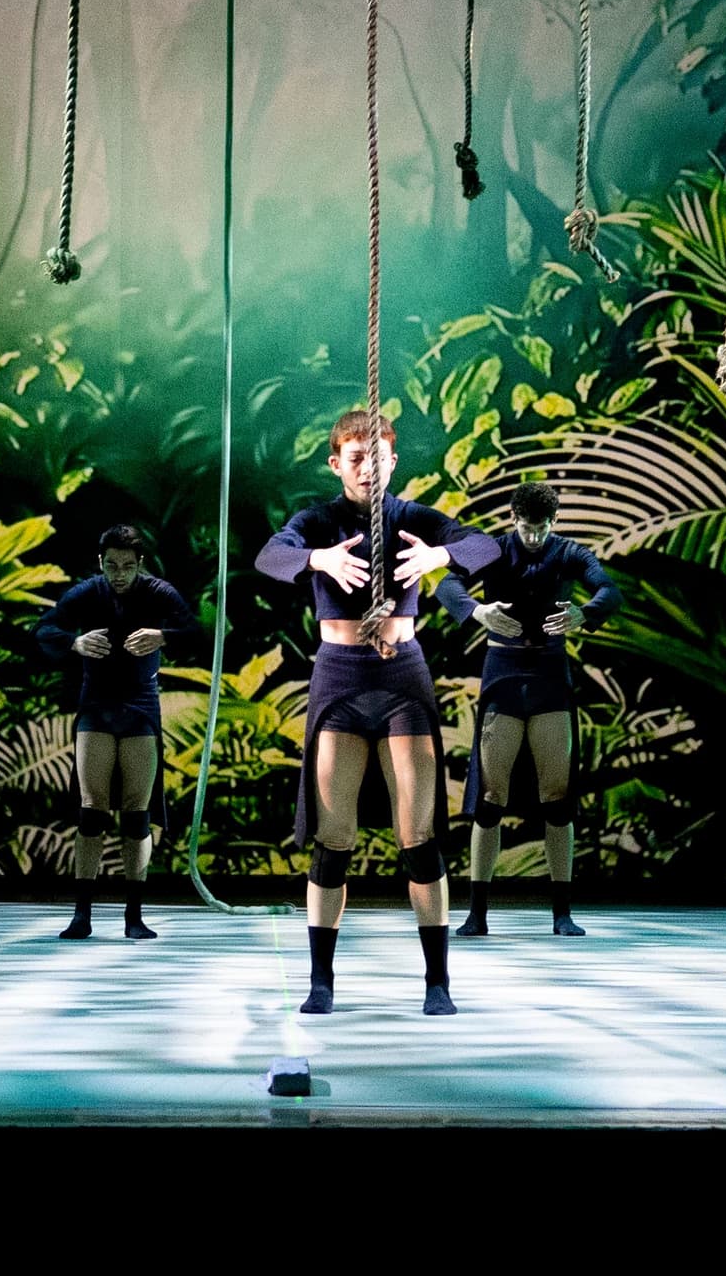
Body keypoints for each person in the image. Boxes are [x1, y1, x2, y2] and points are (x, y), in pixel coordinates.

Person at [254, 408, 503, 1017]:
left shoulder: (413, 518)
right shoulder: (317, 521)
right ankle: (321, 980)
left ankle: (437, 981)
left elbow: (485, 545)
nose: (368, 467)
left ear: (394, 460)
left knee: (418, 838)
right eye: (355, 457)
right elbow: (269, 556)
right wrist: (319, 560)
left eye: (378, 456)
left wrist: (440, 559)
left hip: (401, 676)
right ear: (337, 463)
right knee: (332, 840)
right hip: (339, 676)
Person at [441, 480, 624, 940]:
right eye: (527, 527)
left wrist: (587, 612)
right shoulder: (493, 550)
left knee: (557, 795)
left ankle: (562, 912)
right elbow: (448, 584)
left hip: (549, 676)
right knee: (491, 797)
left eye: (542, 528)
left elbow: (608, 589)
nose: (535, 536)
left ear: (553, 522)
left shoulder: (568, 553)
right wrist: (477, 612)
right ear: (513, 520)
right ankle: (477, 911)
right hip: (503, 674)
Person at [34, 525, 195, 941]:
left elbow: (197, 632)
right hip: (96, 709)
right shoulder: (88, 592)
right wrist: (74, 644)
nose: (118, 574)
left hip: (140, 709)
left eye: (126, 566)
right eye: (111, 566)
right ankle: (82, 914)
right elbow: (45, 629)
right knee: (91, 811)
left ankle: (134, 915)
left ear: (140, 564)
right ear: (100, 563)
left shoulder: (158, 592)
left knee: (136, 813)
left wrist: (164, 636)